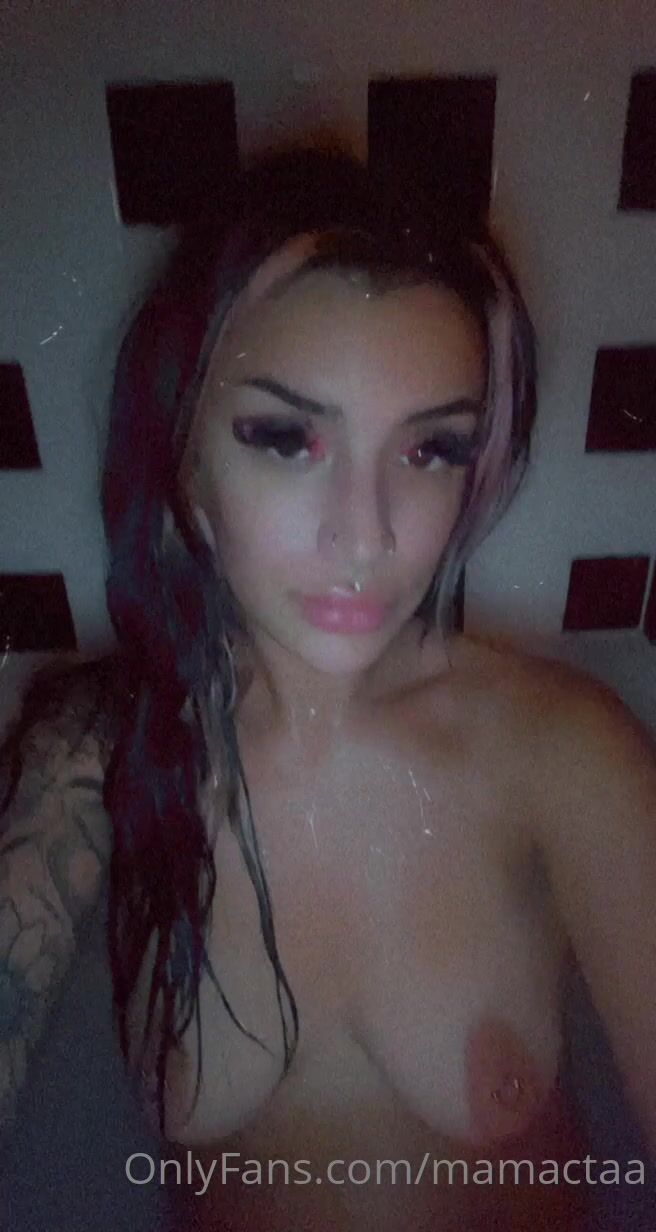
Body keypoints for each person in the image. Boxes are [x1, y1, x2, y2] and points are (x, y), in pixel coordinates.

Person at [1, 142, 655, 1232]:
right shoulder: (94, 745)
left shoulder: (562, 746)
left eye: (430, 450)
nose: (366, 535)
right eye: (286, 439)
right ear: (186, 462)